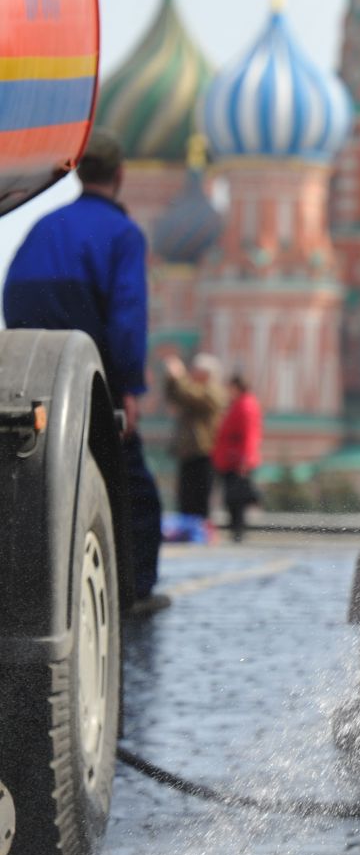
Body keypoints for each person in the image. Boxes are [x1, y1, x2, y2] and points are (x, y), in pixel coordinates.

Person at [2, 128, 166, 613]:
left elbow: (14, 292)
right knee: (133, 488)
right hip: (90, 358)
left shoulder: (44, 226)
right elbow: (127, 317)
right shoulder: (123, 233)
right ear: (120, 176)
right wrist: (128, 387)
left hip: (32, 362)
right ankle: (134, 592)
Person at [163, 352, 227, 524]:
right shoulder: (193, 388)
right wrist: (172, 379)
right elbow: (177, 395)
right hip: (189, 452)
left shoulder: (213, 392)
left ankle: (200, 531)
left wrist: (180, 376)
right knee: (185, 498)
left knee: (199, 499)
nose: (192, 373)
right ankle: (187, 530)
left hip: (204, 452)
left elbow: (191, 395)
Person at [212, 373, 263, 541]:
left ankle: (238, 530)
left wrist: (245, 460)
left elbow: (249, 435)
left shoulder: (245, 405)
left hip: (237, 460)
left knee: (236, 498)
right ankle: (236, 529)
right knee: (232, 497)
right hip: (229, 458)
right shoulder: (238, 404)